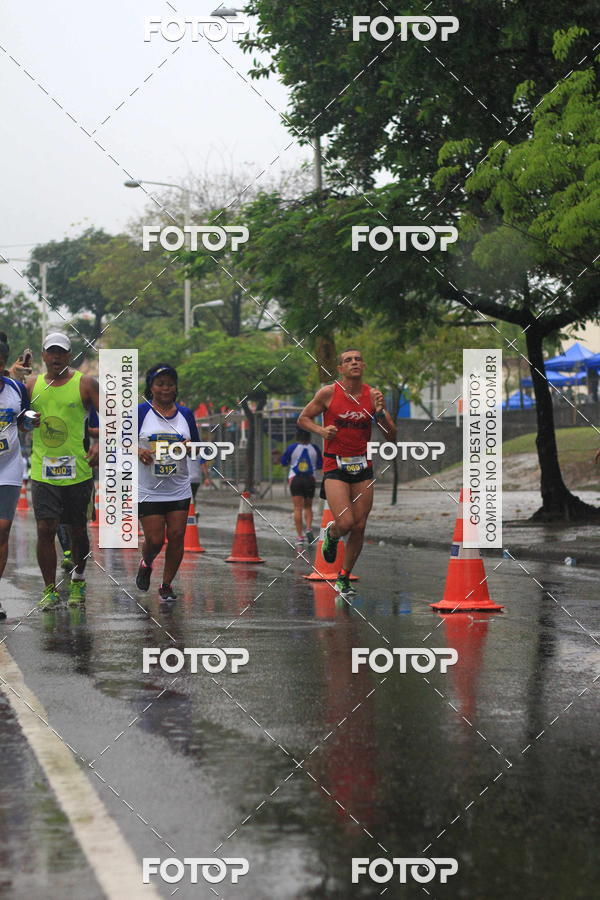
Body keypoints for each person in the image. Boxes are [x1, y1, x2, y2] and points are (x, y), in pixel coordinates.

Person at [298, 348, 396, 597]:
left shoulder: (373, 395)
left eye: (357, 359)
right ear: (340, 368)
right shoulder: (329, 393)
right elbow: (303, 419)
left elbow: (392, 436)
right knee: (346, 522)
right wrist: (321, 432)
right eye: (347, 360)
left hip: (362, 465)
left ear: (363, 365)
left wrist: (381, 413)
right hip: (334, 465)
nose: (354, 362)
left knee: (360, 526)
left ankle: (343, 577)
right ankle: (331, 533)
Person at [26, 333, 99, 609]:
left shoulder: (85, 383)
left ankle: (78, 579)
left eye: (61, 353)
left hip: (77, 472)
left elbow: (114, 415)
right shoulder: (31, 385)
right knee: (45, 529)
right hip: (43, 471)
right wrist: (27, 420)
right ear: (43, 356)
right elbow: (19, 416)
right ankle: (49, 590)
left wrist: (100, 444)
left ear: (69, 356)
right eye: (51, 352)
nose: (56, 357)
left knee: (78, 530)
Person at [136, 364, 200, 603]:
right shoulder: (141, 413)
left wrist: (188, 447)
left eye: (170, 384)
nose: (165, 388)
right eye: (160, 383)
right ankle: (146, 563)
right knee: (154, 540)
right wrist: (138, 451)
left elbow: (197, 448)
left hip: (178, 487)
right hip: (148, 489)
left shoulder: (186, 414)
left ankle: (166, 585)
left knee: (176, 536)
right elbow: (121, 442)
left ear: (175, 387)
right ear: (151, 387)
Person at [0, 333, 38, 619]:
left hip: (9, 467)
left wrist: (30, 421)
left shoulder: (15, 388)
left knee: (2, 530)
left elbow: (24, 425)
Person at [280, 427, 322, 549]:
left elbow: (283, 462)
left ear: (297, 437)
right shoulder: (315, 449)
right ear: (309, 437)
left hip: (296, 480)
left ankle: (300, 537)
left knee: (297, 508)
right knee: (308, 507)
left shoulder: (292, 448)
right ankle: (308, 528)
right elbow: (319, 465)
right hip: (310, 480)